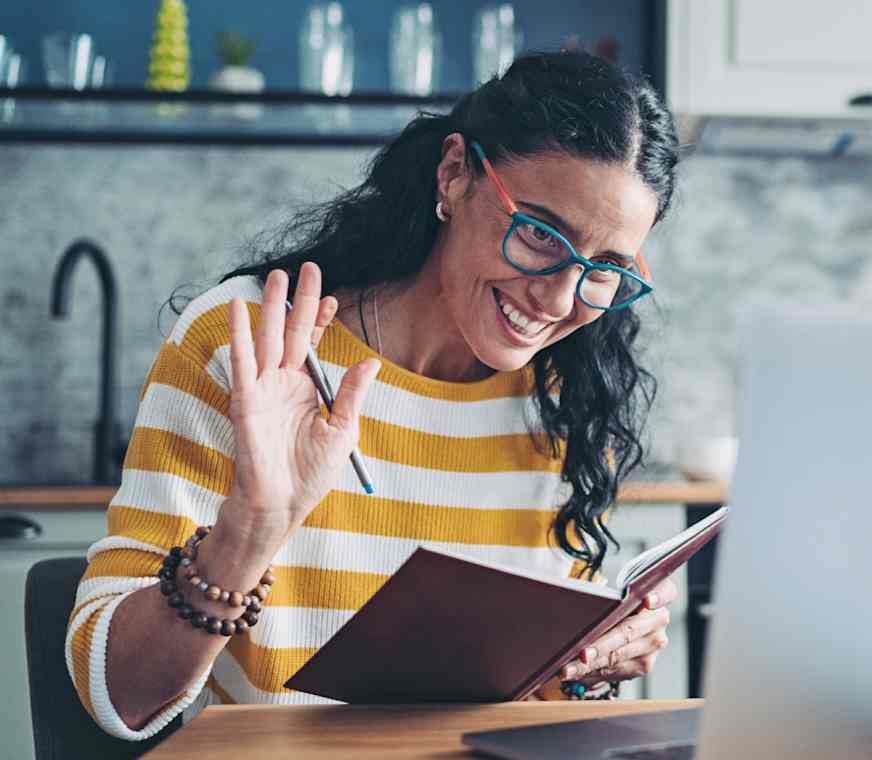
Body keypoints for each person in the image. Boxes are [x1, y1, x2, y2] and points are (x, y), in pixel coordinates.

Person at [66, 51, 681, 740]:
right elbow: (116, 694)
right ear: (454, 174)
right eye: (539, 234)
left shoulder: (566, 397)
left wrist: (587, 658)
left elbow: (512, 700)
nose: (560, 298)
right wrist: (252, 527)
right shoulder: (256, 345)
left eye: (606, 269)